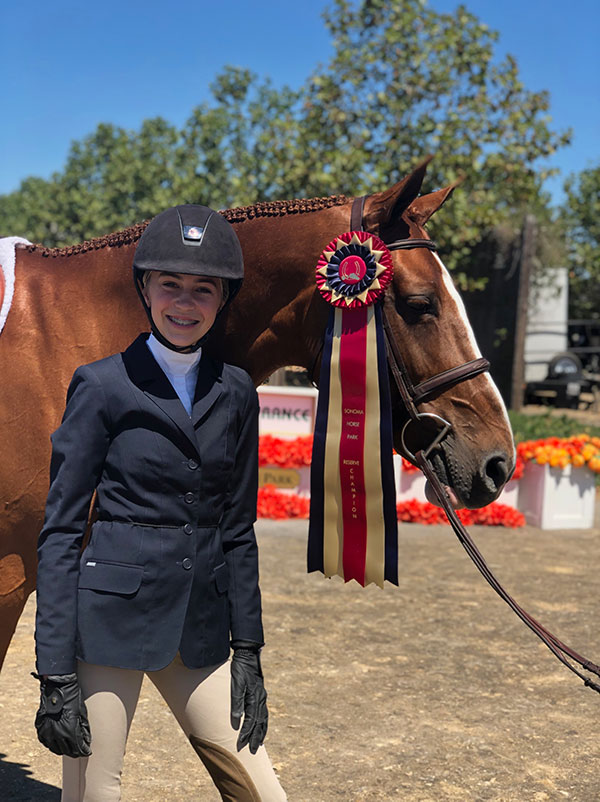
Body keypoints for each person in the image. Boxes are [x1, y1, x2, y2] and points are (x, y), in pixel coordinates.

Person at [33, 205, 287, 802]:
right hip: (108, 625)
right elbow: (63, 529)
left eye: (203, 289)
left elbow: (238, 526)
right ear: (144, 288)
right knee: (95, 795)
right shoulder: (101, 385)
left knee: (262, 793)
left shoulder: (237, 391)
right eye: (170, 284)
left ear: (222, 299)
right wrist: (54, 672)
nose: (184, 301)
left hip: (199, 625)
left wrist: (248, 647)